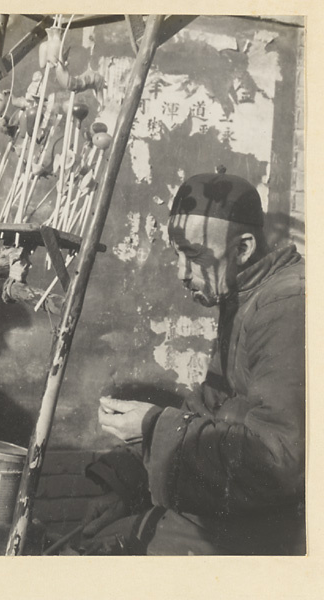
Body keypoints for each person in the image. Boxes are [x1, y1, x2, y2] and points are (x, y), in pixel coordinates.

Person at [81, 168, 305, 555]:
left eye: (194, 256)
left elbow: (279, 458)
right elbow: (211, 404)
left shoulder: (286, 305)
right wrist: (130, 485)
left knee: (131, 552)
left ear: (243, 249)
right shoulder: (247, 293)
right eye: (178, 256)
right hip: (253, 507)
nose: (182, 273)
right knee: (108, 538)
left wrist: (152, 428)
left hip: (290, 526)